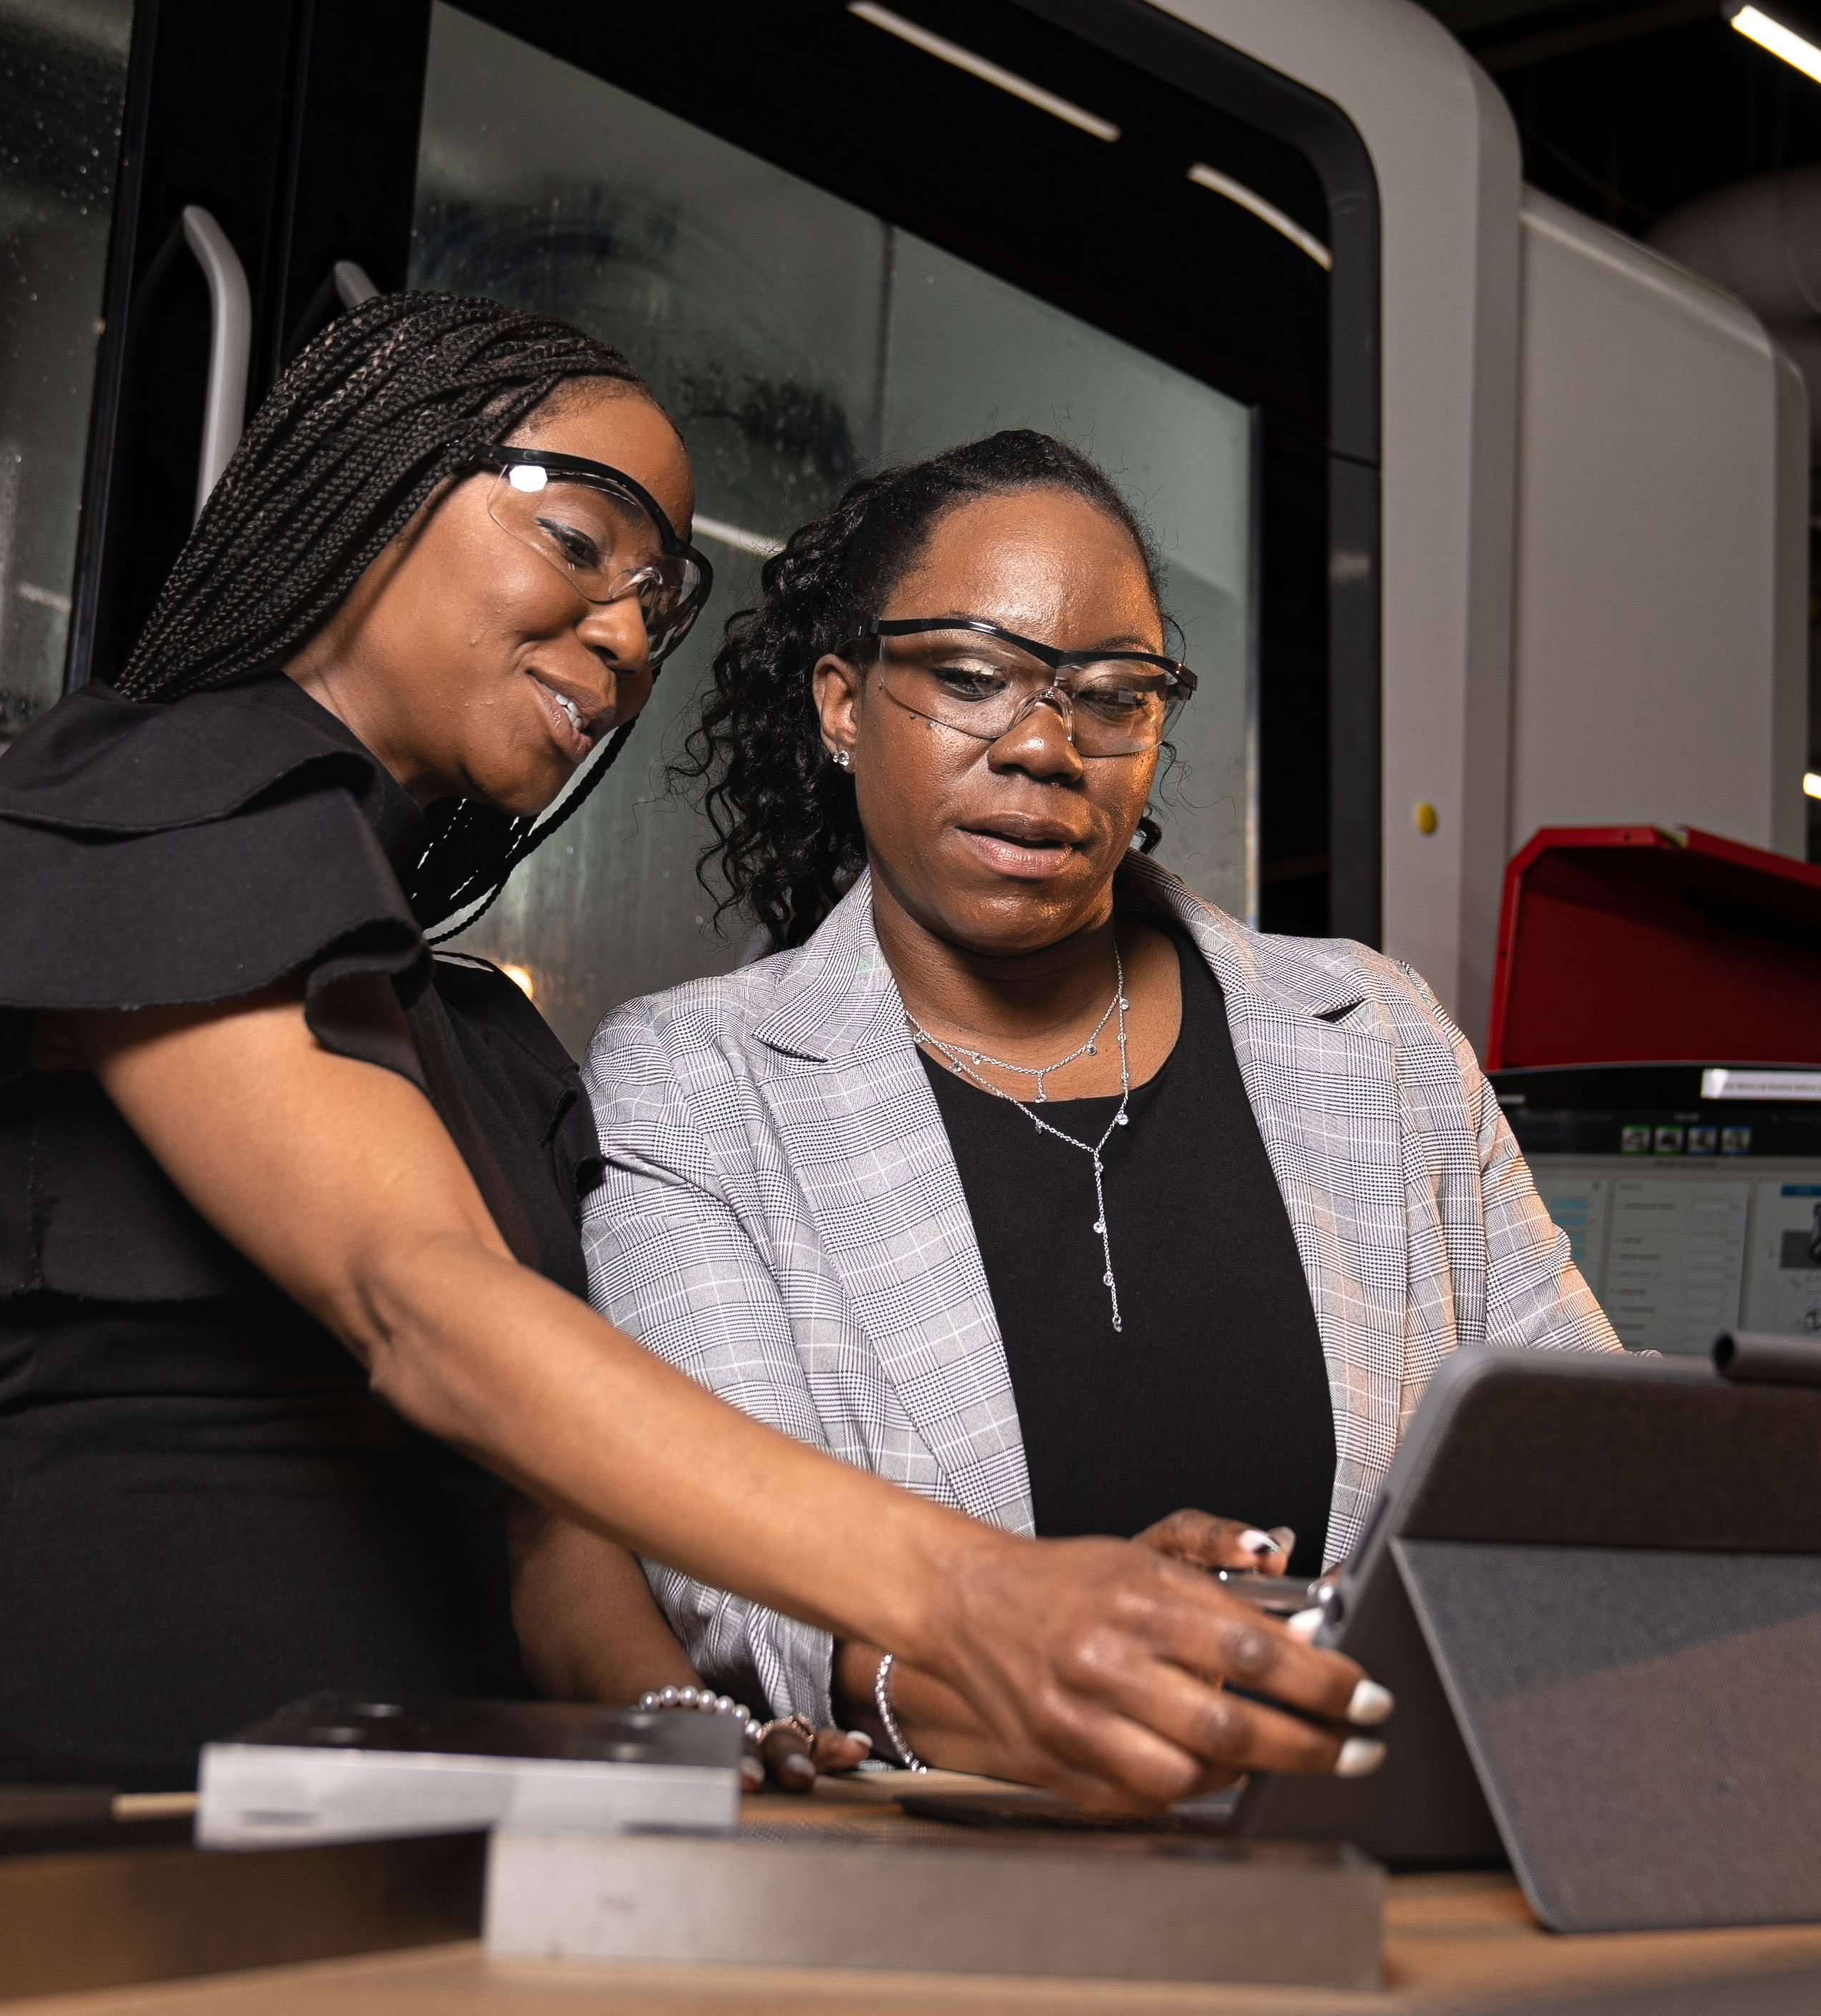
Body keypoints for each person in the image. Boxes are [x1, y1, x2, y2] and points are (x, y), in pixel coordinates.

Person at [0, 298, 1374, 1809]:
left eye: (657, 597)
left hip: (421, 1846)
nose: (621, 631)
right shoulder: (153, 808)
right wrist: (982, 1590)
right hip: (84, 1809)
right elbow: (426, 1310)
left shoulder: (476, 1034)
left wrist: (685, 1725)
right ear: (378, 483)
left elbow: (545, 1527)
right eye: (576, 539)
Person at [583, 431, 1618, 1774]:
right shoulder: (694, 1088)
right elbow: (742, 1580)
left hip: (1374, 1858)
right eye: (969, 679)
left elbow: (1586, 1450)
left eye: (1112, 697)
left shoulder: (1379, 1041)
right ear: (843, 704)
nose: (1042, 748)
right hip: (960, 1917)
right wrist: (1057, 1664)